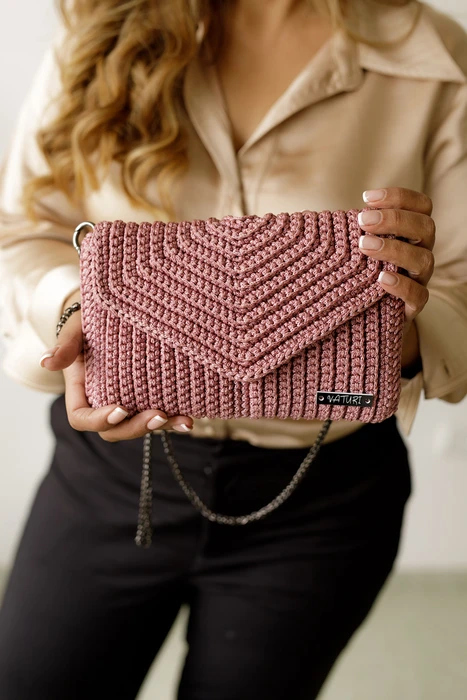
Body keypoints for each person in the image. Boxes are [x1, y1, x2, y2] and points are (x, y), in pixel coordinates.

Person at [0, 0, 466, 697]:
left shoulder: (431, 56)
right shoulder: (102, 25)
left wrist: (388, 334)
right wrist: (76, 310)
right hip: (115, 478)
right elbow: (24, 228)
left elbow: (461, 289)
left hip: (321, 500)